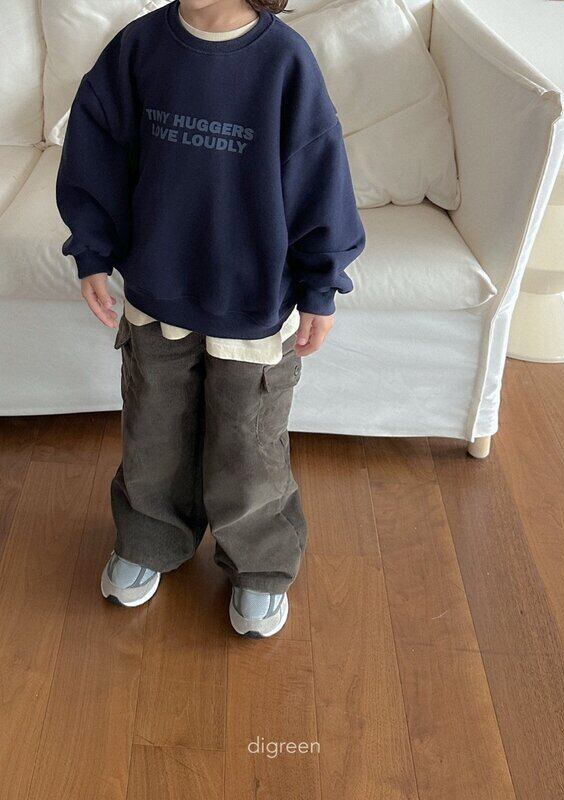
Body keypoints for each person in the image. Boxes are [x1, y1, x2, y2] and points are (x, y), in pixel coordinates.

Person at [56, 0, 365, 637]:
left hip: (254, 299)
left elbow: (318, 174)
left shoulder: (285, 61)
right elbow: (97, 149)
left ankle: (259, 563)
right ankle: (149, 537)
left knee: (249, 444)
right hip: (157, 289)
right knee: (153, 429)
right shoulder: (139, 47)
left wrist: (321, 285)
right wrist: (92, 250)